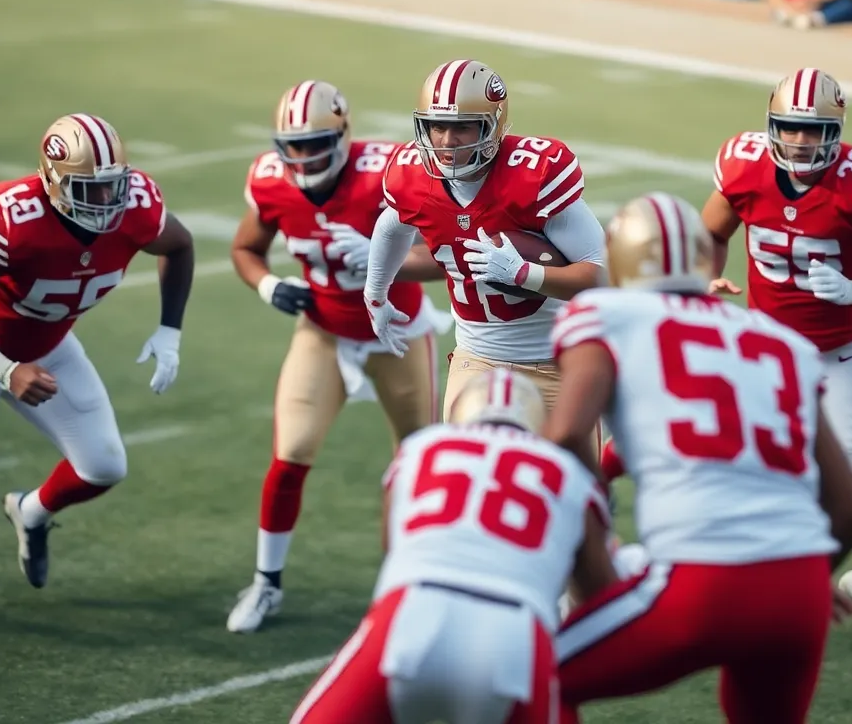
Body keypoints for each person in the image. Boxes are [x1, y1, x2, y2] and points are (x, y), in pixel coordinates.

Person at [542, 192, 852, 724]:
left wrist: (590, 543)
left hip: (702, 579)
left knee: (530, 680)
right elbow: (851, 508)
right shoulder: (777, 339)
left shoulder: (606, 313)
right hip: (800, 588)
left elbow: (565, 437)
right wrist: (795, 579)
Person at [0, 114, 195, 621]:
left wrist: (169, 331)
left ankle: (31, 510)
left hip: (47, 345)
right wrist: (6, 369)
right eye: (90, 190)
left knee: (104, 466)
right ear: (53, 181)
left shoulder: (137, 205)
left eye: (114, 186)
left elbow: (179, 246)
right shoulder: (18, 218)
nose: (109, 201)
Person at [698, 68, 852, 660]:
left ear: (837, 131)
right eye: (791, 129)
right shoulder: (744, 165)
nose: (802, 143)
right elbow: (710, 231)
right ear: (771, 126)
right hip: (771, 354)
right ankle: (764, 595)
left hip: (846, 352)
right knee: (755, 479)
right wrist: (707, 274)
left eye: (816, 131)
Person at [225, 80, 448, 634]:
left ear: (344, 133)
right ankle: (266, 582)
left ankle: (407, 586)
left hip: (395, 331)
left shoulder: (387, 171)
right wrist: (267, 286)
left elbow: (447, 255)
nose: (302, 158)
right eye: (292, 145)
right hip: (323, 330)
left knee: (416, 464)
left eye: (316, 143)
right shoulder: (270, 179)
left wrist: (384, 258)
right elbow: (245, 248)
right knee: (291, 452)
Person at [287, 369, 618, 723]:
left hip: (412, 615)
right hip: (514, 636)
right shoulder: (569, 475)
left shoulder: (421, 449)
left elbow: (394, 548)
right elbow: (598, 599)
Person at [363, 59, 607, 464]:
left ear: (493, 125)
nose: (445, 140)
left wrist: (523, 274)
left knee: (577, 496)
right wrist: (375, 291)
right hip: (477, 358)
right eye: (436, 126)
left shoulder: (534, 174)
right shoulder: (412, 176)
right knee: (470, 478)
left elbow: (602, 275)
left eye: (462, 127)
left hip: (559, 362)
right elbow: (391, 227)